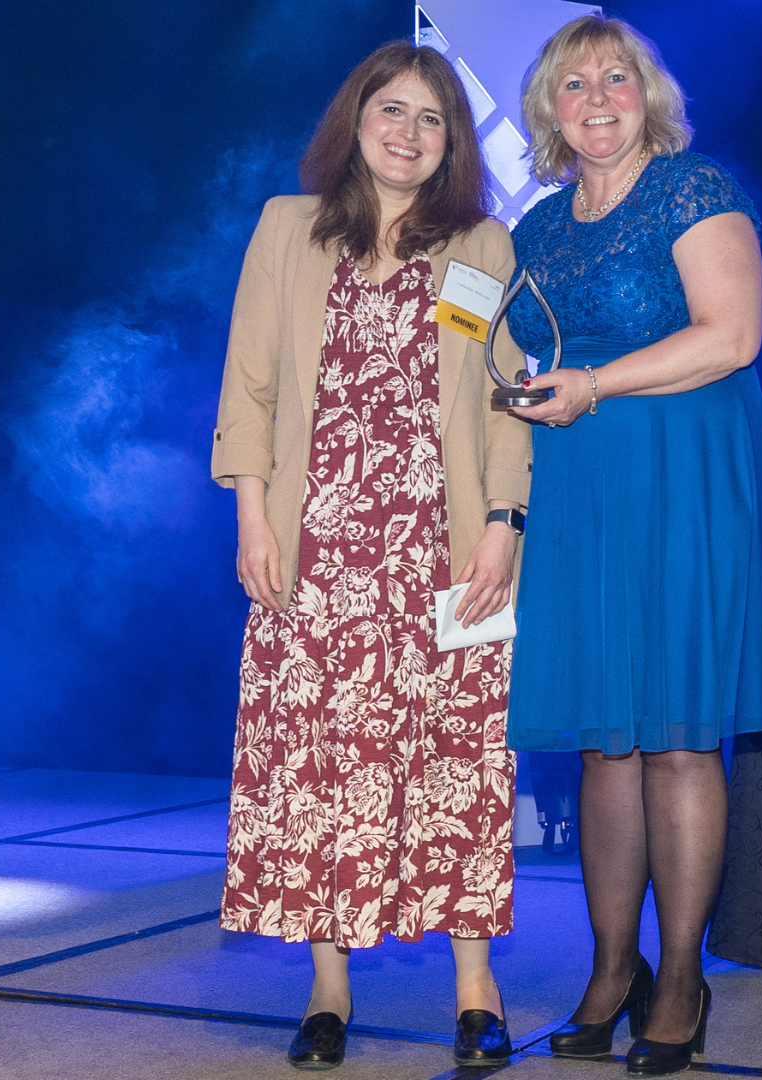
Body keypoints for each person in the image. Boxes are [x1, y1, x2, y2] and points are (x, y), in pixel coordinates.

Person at [212, 42, 533, 1071]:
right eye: (391, 110)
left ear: (451, 144)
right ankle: (327, 989)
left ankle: (476, 991)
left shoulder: (481, 245)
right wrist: (253, 518)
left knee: (461, 764)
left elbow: (503, 400)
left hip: (450, 552)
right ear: (355, 121)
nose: (408, 132)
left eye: (431, 119)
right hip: (316, 549)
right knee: (315, 767)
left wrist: (502, 523)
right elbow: (251, 386)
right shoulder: (287, 231)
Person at [502, 15, 762, 1077]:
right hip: (582, 490)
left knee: (677, 734)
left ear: (649, 96)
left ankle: (680, 978)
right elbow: (498, 349)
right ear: (548, 110)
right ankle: (609, 968)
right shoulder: (536, 228)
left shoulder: (696, 190)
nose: (596, 98)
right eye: (573, 84)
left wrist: (591, 382)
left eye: (616, 79)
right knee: (602, 739)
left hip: (687, 475)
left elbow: (733, 336)